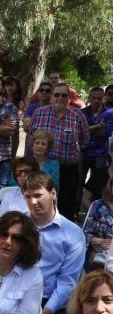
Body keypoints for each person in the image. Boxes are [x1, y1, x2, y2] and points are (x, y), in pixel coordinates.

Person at [21, 171, 85, 314]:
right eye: (28, 197)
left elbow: (66, 284)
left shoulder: (73, 234)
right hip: (15, 295)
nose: (33, 202)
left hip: (49, 301)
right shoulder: (17, 226)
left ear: (53, 193)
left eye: (38, 195)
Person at [29, 83, 90, 220]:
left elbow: (85, 140)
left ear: (69, 98)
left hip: (68, 171)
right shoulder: (39, 113)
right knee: (42, 207)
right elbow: (31, 138)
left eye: (64, 95)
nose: (60, 98)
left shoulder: (77, 116)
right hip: (44, 169)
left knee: (66, 211)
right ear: (51, 97)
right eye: (56, 94)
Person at [80, 86, 113, 205]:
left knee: (99, 183)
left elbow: (107, 132)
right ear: (89, 98)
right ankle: (77, 209)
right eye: (93, 98)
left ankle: (96, 209)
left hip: (100, 153)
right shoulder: (82, 112)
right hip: (84, 151)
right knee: (79, 181)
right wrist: (97, 127)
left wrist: (88, 129)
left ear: (103, 97)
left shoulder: (110, 113)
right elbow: (79, 131)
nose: (96, 100)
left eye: (99, 98)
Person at [83, 176, 113, 269]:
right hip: (100, 255)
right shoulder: (98, 205)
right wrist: (102, 241)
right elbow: (86, 234)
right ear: (111, 186)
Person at [22, 81, 53, 154]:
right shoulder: (31, 107)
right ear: (38, 92)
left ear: (51, 94)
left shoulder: (54, 109)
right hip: (31, 148)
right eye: (41, 90)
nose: (44, 92)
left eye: (47, 91)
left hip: (48, 149)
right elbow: (26, 127)